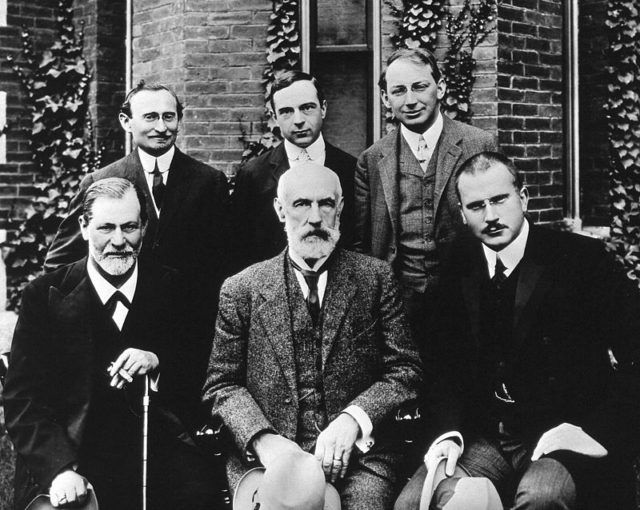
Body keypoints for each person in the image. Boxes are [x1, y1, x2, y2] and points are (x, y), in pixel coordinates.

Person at [395, 152, 640, 509]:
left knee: (542, 497)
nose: (491, 216)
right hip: (484, 436)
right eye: (477, 206)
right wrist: (447, 432)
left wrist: (595, 429)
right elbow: (441, 365)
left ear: (523, 198)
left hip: (561, 432)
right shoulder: (455, 264)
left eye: (499, 200)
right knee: (415, 501)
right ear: (462, 214)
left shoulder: (583, 260)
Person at [203, 164, 423, 510]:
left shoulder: (375, 279)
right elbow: (222, 385)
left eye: (326, 204)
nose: (315, 218)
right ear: (280, 210)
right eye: (301, 204)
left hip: (359, 460)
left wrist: (355, 418)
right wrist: (263, 440)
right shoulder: (241, 289)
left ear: (341, 209)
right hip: (269, 460)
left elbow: (405, 369)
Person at [4, 178, 223, 510]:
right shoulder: (45, 296)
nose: (119, 241)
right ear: (84, 227)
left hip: (161, 458)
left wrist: (158, 362)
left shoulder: (175, 290)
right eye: (106, 228)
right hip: (75, 458)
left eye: (130, 227)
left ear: (144, 228)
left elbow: (204, 376)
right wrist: (59, 469)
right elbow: (22, 399)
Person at [44, 81, 230, 393]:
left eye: (169, 117)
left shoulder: (209, 182)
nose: (161, 127)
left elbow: (225, 265)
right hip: (114, 337)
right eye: (150, 117)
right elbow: (59, 264)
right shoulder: (101, 181)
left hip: (182, 339)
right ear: (126, 122)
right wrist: (97, 316)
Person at [354, 48, 496, 355]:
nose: (411, 100)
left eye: (420, 86)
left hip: (466, 295)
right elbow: (362, 244)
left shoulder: (478, 144)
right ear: (385, 99)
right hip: (398, 301)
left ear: (440, 87)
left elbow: (498, 220)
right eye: (399, 91)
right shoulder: (372, 159)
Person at [232, 70, 356, 271]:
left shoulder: (351, 169)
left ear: (323, 109)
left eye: (307, 108)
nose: (298, 120)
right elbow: (241, 249)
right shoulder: (253, 176)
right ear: (274, 117)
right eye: (286, 111)